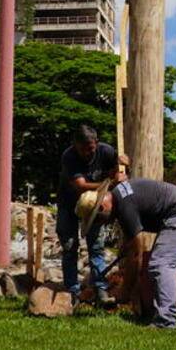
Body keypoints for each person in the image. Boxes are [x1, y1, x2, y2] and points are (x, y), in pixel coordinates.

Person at [78, 168, 176, 330]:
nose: (101, 224)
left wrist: (125, 291)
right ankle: (150, 313)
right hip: (175, 215)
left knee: (161, 263)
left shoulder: (124, 207)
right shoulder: (119, 196)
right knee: (155, 264)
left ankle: (166, 321)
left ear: (102, 207)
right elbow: (132, 243)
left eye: (97, 220)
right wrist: (127, 246)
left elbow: (136, 256)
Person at [56, 125, 117, 305]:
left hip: (94, 204)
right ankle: (72, 292)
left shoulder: (106, 151)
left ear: (96, 143)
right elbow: (80, 185)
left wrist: (123, 164)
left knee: (96, 247)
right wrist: (108, 183)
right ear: (75, 145)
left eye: (90, 148)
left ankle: (100, 289)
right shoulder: (69, 156)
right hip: (69, 204)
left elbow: (119, 169)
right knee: (69, 247)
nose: (87, 153)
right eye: (82, 149)